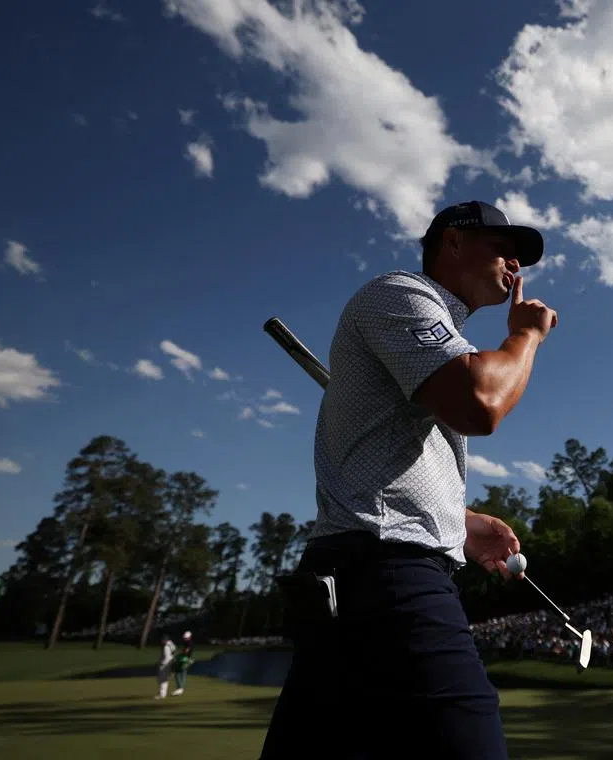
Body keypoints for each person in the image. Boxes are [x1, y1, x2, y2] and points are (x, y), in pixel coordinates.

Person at [258, 200, 556, 759]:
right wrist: (526, 335)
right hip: (388, 571)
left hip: (361, 570)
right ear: (454, 243)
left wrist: (457, 522)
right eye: (504, 249)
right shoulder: (400, 294)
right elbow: (481, 402)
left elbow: (394, 452)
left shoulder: (439, 334)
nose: (515, 266)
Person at [171, 630, 194, 696]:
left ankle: (180, 688)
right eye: (184, 638)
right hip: (186, 659)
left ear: (189, 637)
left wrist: (178, 655)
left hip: (185, 660)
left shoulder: (189, 643)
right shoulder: (186, 642)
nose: (185, 639)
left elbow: (186, 652)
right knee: (183, 674)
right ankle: (180, 689)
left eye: (186, 638)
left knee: (178, 673)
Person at [154, 633, 176, 700]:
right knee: (164, 679)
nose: (161, 641)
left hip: (166, 664)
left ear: (165, 640)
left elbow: (167, 657)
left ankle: (162, 694)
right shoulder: (171, 643)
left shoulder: (166, 647)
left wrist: (162, 665)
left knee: (162, 679)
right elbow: (174, 650)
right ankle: (163, 693)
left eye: (162, 640)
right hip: (171, 662)